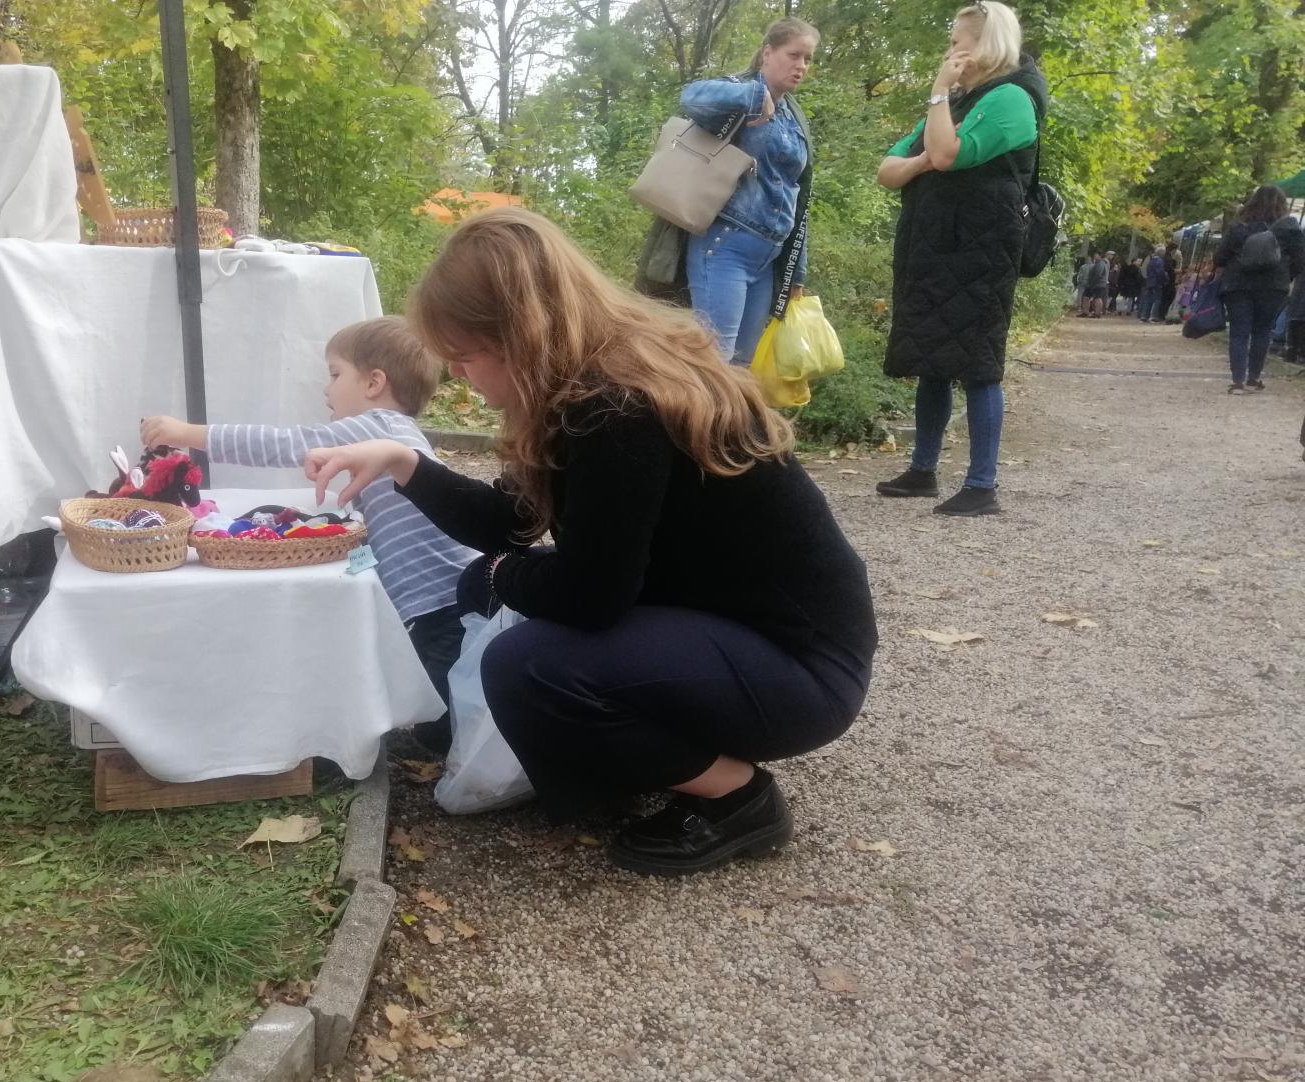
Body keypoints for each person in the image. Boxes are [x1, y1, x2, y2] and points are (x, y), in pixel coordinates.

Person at [300, 210, 877, 876]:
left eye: (465, 355)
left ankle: (738, 797)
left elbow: (592, 596)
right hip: (732, 626)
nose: (459, 375)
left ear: (517, 336)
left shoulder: (616, 407)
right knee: (487, 592)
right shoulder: (591, 382)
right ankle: (639, 760)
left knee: (526, 665)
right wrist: (406, 465)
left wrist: (500, 575)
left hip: (800, 670)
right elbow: (512, 521)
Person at [139, 317, 479, 753]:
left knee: (451, 719)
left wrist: (189, 434)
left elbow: (287, 443)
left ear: (374, 383)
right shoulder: (394, 432)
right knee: (440, 705)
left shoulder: (376, 425)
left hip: (442, 600)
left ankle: (481, 757)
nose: (326, 389)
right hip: (438, 596)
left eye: (336, 374)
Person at [873, 2, 1046, 517]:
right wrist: (923, 157)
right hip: (934, 248)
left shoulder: (1012, 98)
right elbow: (887, 170)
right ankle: (922, 470)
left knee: (978, 364)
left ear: (985, 44)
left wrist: (935, 104)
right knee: (933, 358)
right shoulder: (959, 101)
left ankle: (981, 484)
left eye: (956, 42)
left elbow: (947, 155)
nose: (949, 51)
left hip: (980, 252)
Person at [679, 17, 818, 364]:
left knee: (742, 367)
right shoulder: (740, 89)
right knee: (715, 361)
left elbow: (797, 197)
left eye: (808, 59)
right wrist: (754, 96)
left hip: (768, 258)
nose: (801, 65)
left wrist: (796, 272)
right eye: (794, 55)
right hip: (725, 246)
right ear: (768, 53)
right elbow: (690, 96)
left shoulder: (794, 117)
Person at [1211, 185, 1305, 395]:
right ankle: (1253, 378)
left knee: (1239, 332)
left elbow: (1220, 258)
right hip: (1274, 286)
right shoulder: (1290, 229)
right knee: (1263, 331)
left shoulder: (1239, 226)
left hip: (1238, 285)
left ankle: (1237, 380)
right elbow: (1300, 262)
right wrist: (1285, 275)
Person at [1082, 250, 1110, 317]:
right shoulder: (1097, 263)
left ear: (1100, 256)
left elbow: (1097, 275)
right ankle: (1085, 312)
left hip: (1098, 284)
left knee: (1098, 298)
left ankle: (1097, 313)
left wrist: (1092, 283)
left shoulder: (1101, 264)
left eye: (1096, 254)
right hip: (1092, 284)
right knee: (1086, 297)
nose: (1094, 256)